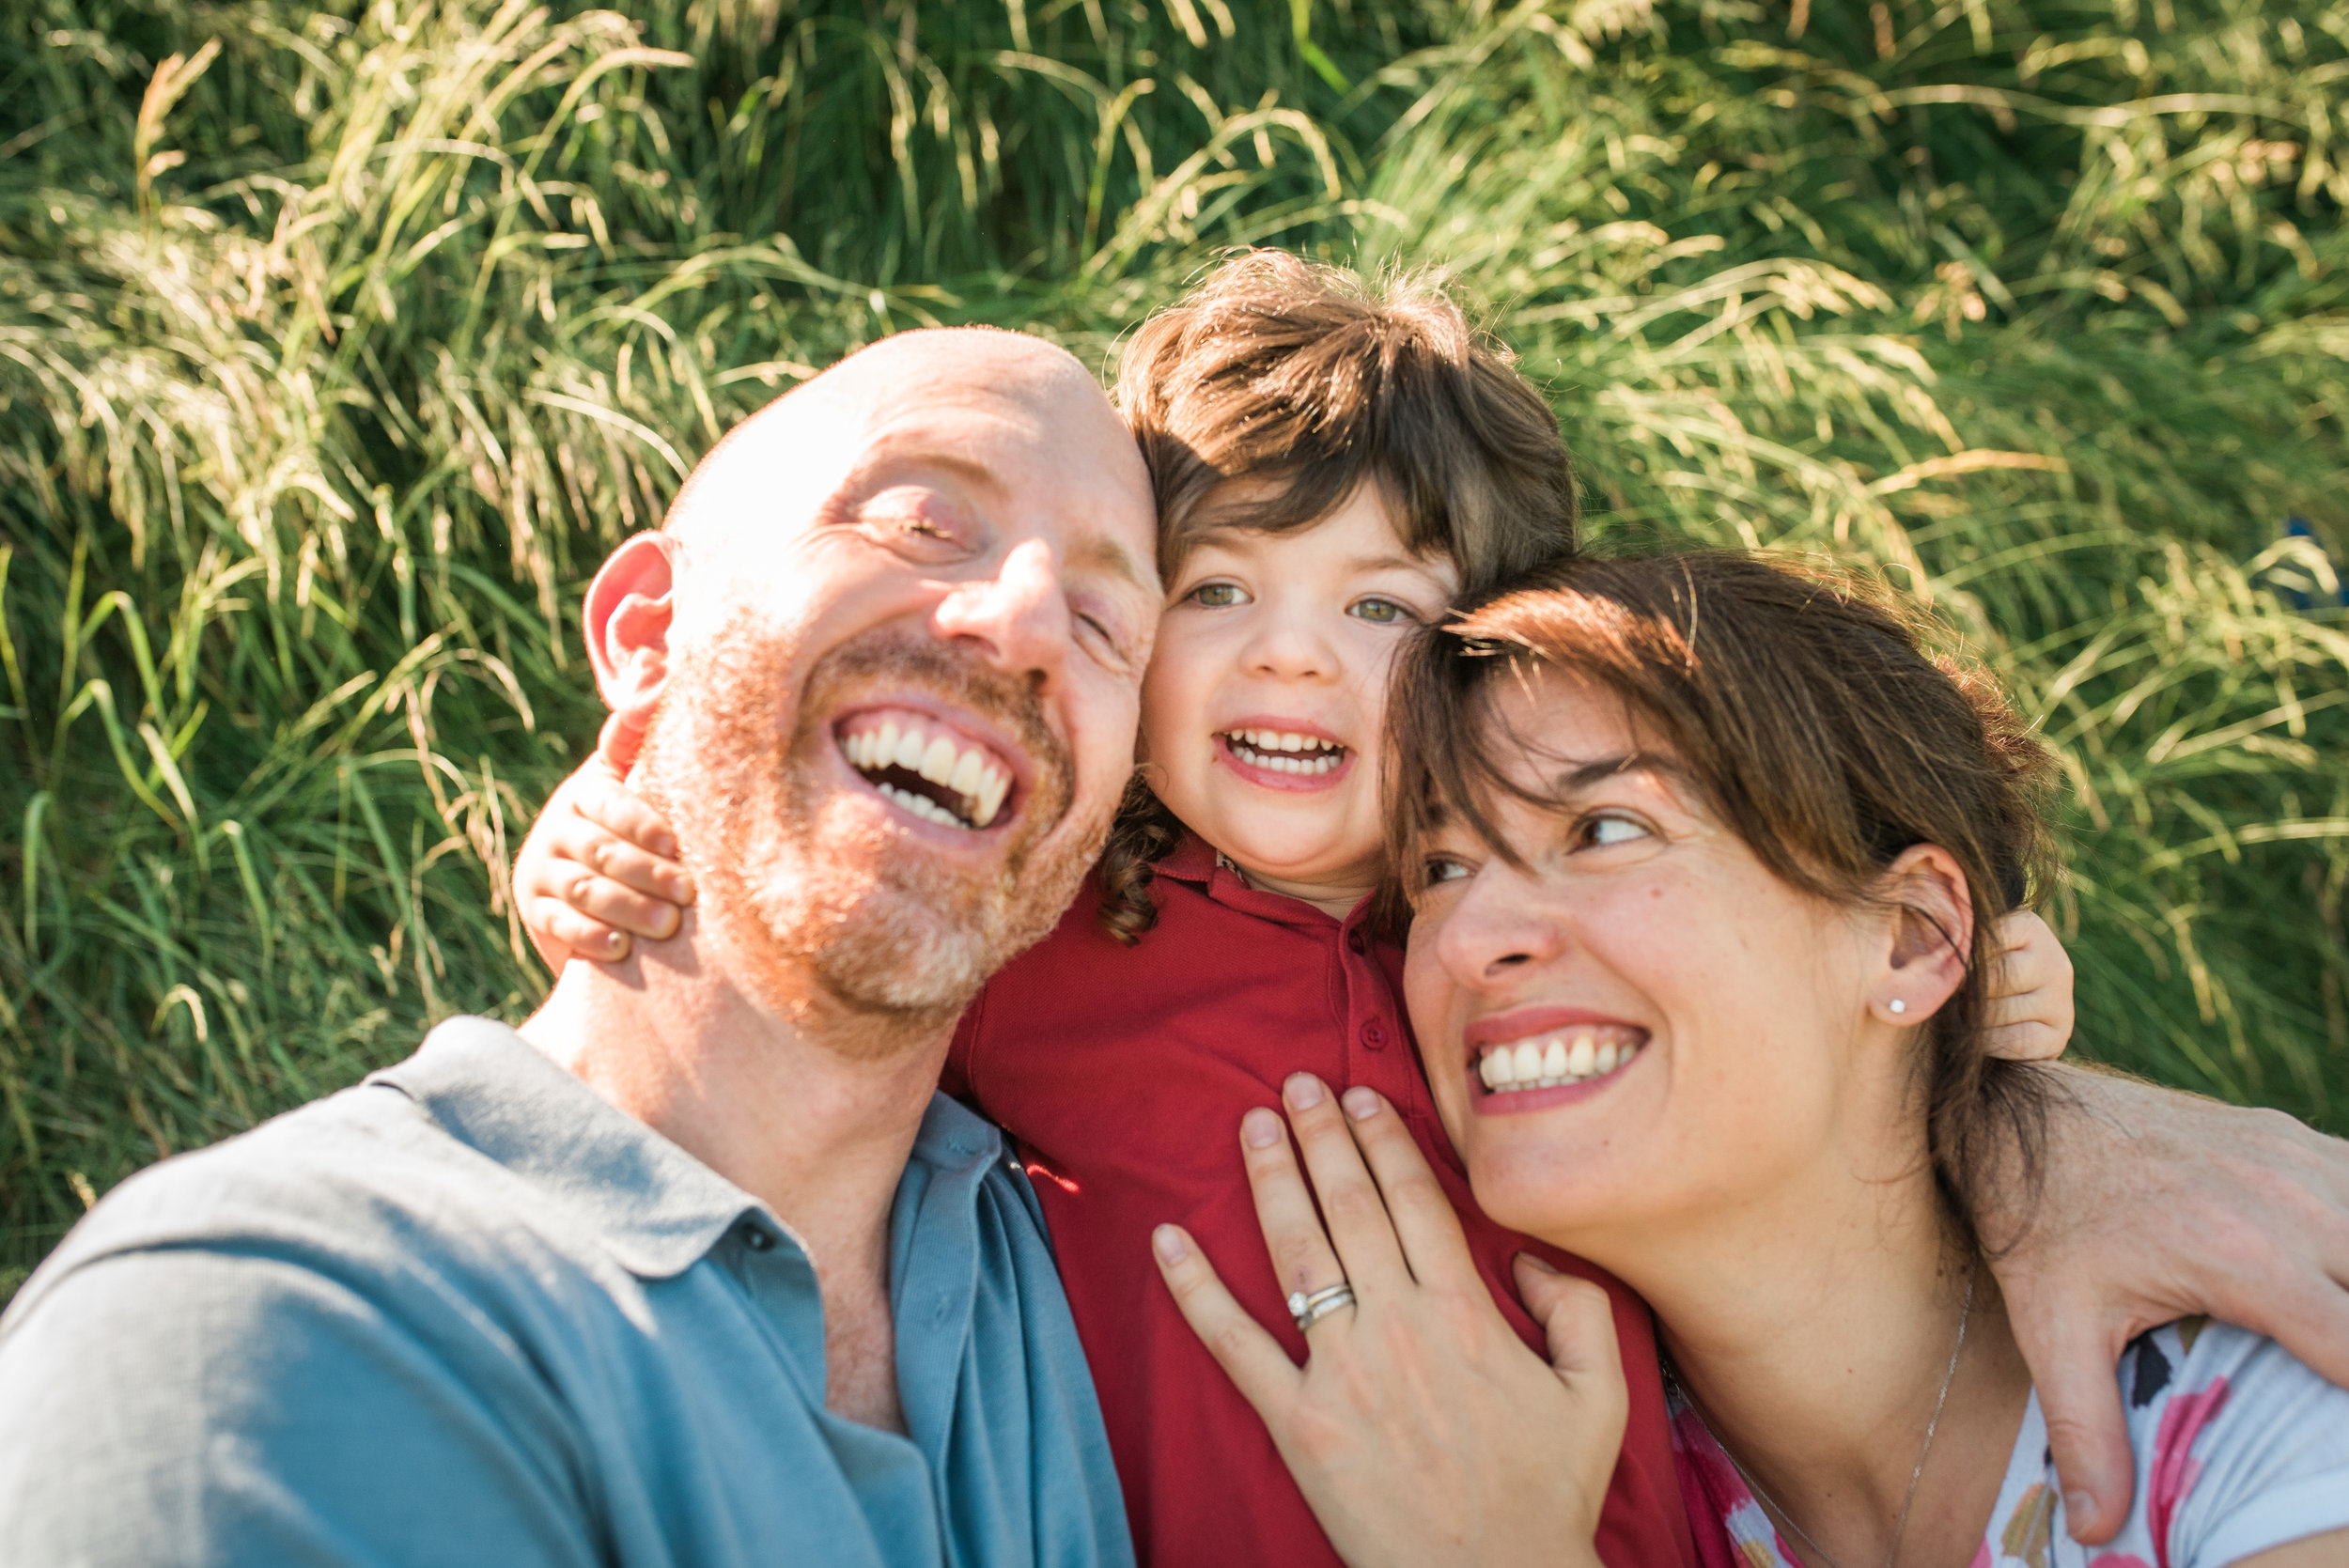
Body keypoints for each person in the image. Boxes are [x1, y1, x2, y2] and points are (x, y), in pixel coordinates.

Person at [511, 254, 2349, 1563]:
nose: (1293, 657)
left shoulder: (1488, 965)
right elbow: (806, 943)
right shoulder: (1057, 934)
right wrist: (612, 831)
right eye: (1219, 590)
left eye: (1382, 611)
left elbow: (1824, 1084)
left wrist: (2028, 1082)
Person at [0, 329, 1162, 1566]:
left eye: (1106, 625)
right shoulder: (264, 1333)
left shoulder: (1085, 1264)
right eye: (922, 523)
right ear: (649, 632)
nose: (1031, 618)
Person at [1150, 551, 2349, 1568]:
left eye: (1605, 829)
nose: (1465, 940)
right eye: (1441, 869)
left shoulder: (2275, 1416)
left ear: (1911, 934)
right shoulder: (1489, 1427)